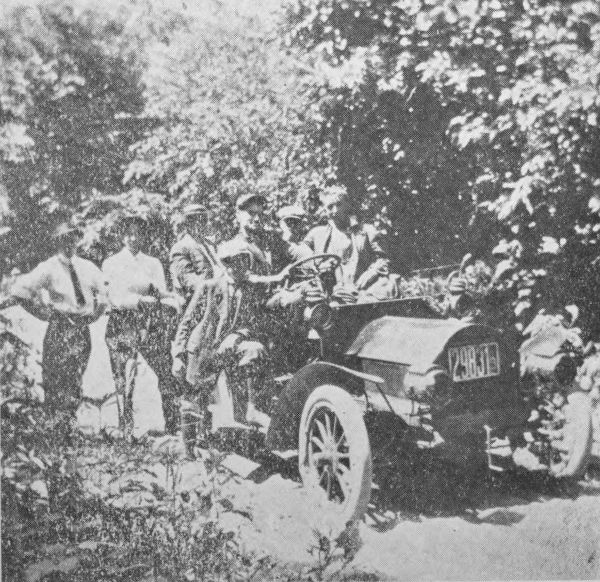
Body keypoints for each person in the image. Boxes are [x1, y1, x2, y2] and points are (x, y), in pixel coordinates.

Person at [9, 221, 108, 419]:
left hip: (81, 328)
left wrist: (96, 314)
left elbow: (105, 293)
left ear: (78, 240)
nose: (69, 243)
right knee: (55, 376)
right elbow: (20, 291)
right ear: (57, 242)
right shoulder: (48, 267)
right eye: (64, 239)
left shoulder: (87, 267)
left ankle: (70, 424)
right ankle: (56, 426)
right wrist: (39, 312)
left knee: (76, 376)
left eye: (73, 238)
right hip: (60, 327)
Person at [103, 215, 180, 435]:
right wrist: (138, 301)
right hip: (122, 323)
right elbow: (113, 296)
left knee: (165, 371)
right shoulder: (111, 263)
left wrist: (171, 302)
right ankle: (125, 430)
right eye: (128, 233)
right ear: (121, 236)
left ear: (145, 235)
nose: (133, 238)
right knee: (124, 377)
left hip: (150, 323)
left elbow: (161, 292)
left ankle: (173, 425)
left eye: (138, 233)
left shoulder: (153, 263)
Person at [303, 186, 389, 295]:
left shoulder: (367, 231)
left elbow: (383, 260)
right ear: (325, 210)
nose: (335, 210)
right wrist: (318, 268)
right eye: (330, 207)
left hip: (363, 289)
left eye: (339, 204)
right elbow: (301, 259)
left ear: (347, 205)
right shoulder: (316, 234)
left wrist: (371, 274)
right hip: (329, 293)